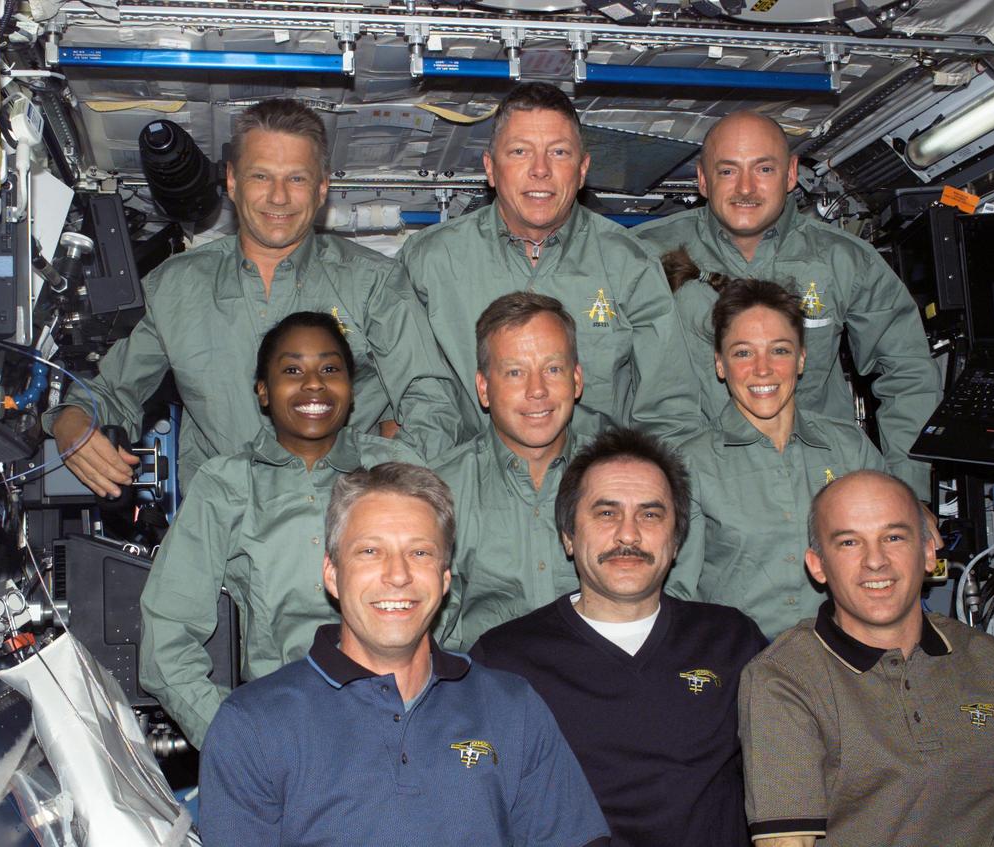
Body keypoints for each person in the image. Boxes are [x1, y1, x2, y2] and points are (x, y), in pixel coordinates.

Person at [46, 98, 459, 496]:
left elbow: (430, 400)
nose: (278, 197)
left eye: (296, 178)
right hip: (223, 531)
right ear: (231, 180)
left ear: (321, 189)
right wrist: (71, 421)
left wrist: (390, 488)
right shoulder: (177, 286)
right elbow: (114, 390)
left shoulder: (375, 284)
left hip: (340, 526)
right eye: (261, 176)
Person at [199, 463, 610, 847]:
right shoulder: (253, 724)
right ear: (332, 574)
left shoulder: (511, 707)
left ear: (445, 577)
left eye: (420, 553)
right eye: (370, 552)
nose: (398, 575)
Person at [738, 470, 994, 847]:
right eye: (849, 543)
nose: (876, 561)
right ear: (818, 566)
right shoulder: (784, 678)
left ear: (927, 553)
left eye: (893, 537)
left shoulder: (992, 664)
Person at [473, 427, 767, 847]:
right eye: (606, 513)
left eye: (650, 514)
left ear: (677, 538)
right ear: (568, 536)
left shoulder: (732, 641)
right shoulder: (505, 659)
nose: (628, 535)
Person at [138, 312, 420, 748]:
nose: (313, 383)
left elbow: (452, 606)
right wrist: (240, 743)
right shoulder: (226, 485)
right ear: (263, 392)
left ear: (351, 388)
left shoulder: (399, 472)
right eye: (292, 370)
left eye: (330, 369)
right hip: (288, 730)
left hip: (407, 726)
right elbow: (166, 643)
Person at [635, 111, 939, 498]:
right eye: (727, 171)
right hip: (687, 487)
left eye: (763, 169)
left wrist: (908, 493)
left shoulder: (844, 261)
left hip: (815, 485)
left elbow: (908, 374)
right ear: (702, 180)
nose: (746, 188)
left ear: (791, 173)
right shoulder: (645, 257)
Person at [399, 81, 703, 443]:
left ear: (583, 169)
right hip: (468, 486)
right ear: (491, 169)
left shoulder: (630, 265)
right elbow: (415, 408)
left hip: (596, 485)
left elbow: (669, 415)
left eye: (558, 153)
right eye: (519, 152)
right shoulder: (428, 263)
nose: (540, 170)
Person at [670, 251, 885, 639]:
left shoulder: (850, 451)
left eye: (780, 350)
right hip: (737, 666)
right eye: (743, 353)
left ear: (801, 358)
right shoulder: (690, 466)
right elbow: (677, 598)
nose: (763, 369)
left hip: (842, 662)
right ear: (720, 364)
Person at [434, 292, 592, 651]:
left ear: (577, 380)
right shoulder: (439, 490)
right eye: (515, 372)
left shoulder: (622, 479)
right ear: (484, 389)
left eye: (553, 369)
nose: (536, 390)